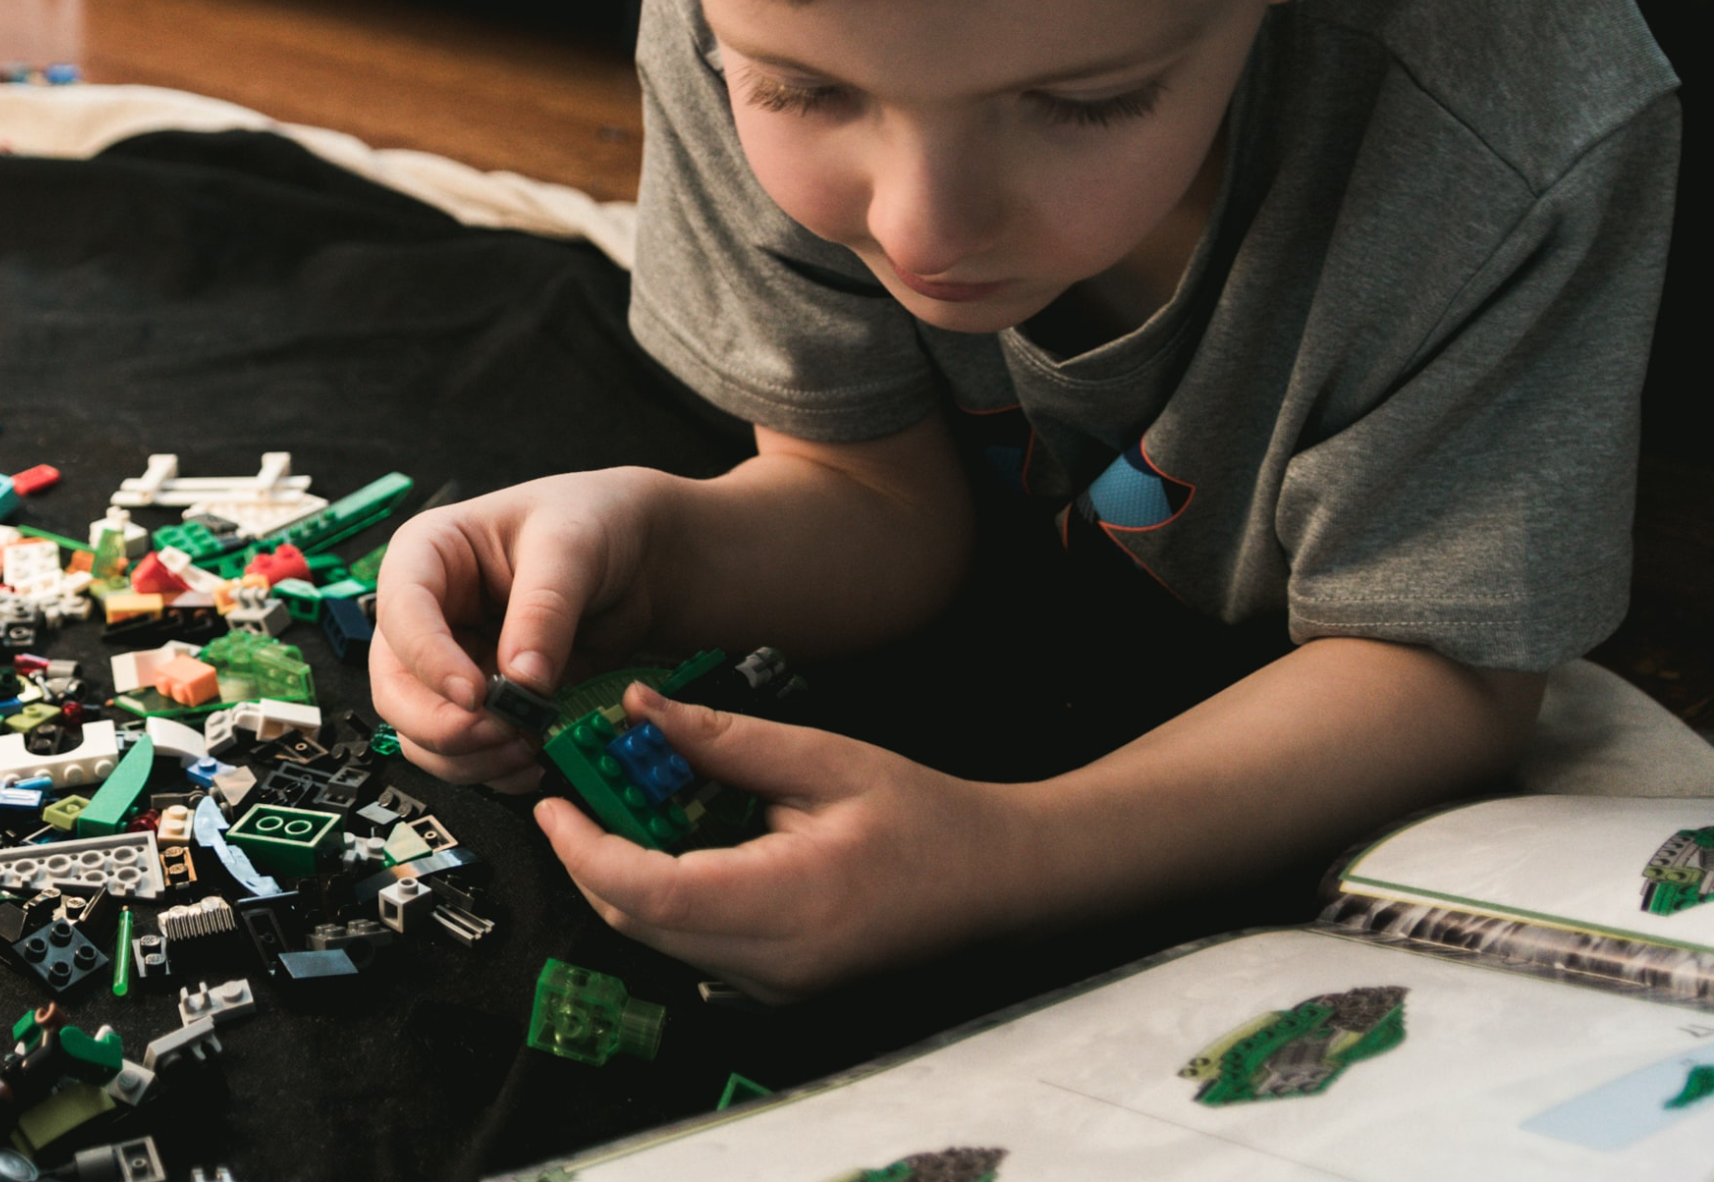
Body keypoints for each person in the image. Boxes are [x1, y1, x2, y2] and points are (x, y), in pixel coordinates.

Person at [371, 0, 1680, 1003]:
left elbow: (1446, 668)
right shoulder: (731, 21)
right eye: (804, 90)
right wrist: (653, 549)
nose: (926, 227)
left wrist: (1015, 853)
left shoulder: (1514, 135)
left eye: (1083, 103)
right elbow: (872, 496)